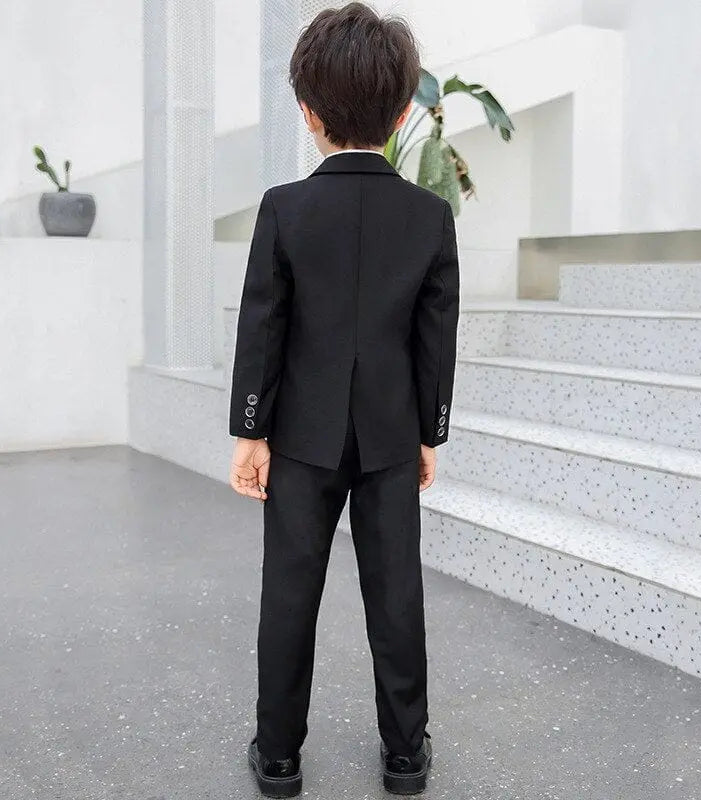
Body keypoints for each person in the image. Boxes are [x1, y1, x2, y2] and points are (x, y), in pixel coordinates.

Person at [228, 2, 459, 795]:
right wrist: (430, 430)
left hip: (299, 436)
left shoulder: (284, 209)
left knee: (289, 589)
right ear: (402, 113)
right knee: (396, 592)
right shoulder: (430, 215)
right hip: (392, 436)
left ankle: (280, 756)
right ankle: (404, 755)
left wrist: (250, 431)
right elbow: (435, 335)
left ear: (307, 111)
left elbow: (265, 326)